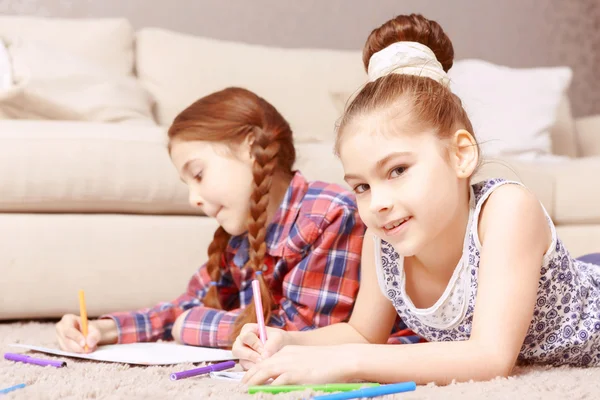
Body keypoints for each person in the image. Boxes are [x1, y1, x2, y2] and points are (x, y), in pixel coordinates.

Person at [234, 14, 600, 386]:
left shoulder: (506, 210)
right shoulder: (383, 239)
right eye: (361, 187)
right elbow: (363, 334)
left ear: (460, 155)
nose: (377, 203)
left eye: (396, 171)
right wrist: (289, 342)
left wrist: (349, 363)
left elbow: (489, 358)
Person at [55, 87, 372, 353]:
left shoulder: (328, 215)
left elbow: (304, 332)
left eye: (198, 174)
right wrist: (103, 329)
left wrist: (191, 326)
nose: (193, 198)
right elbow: (183, 306)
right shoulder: (239, 239)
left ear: (250, 148)